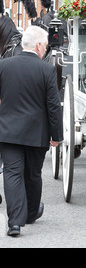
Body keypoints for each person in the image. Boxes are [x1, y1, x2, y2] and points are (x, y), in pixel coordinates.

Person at [0, 25, 63, 237]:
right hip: (37, 133)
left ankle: (14, 223)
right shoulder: (46, 69)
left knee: (12, 173)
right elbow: (53, 105)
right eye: (45, 45)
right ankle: (31, 212)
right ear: (38, 46)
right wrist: (56, 136)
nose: (45, 49)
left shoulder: (3, 65)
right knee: (33, 174)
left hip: (8, 131)